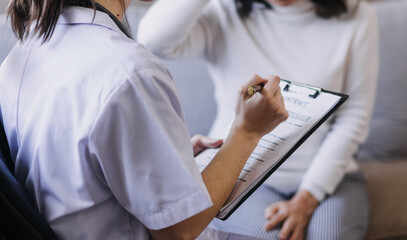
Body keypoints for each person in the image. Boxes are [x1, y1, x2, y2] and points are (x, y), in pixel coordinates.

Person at [0, 0, 289, 238]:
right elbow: (181, 231)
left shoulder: (23, 51)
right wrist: (247, 131)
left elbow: (77, 165)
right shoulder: (128, 73)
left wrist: (167, 158)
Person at [137, 0, 378, 239]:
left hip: (329, 176)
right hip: (241, 174)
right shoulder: (224, 11)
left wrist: (309, 195)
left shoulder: (358, 15)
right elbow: (153, 41)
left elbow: (353, 117)